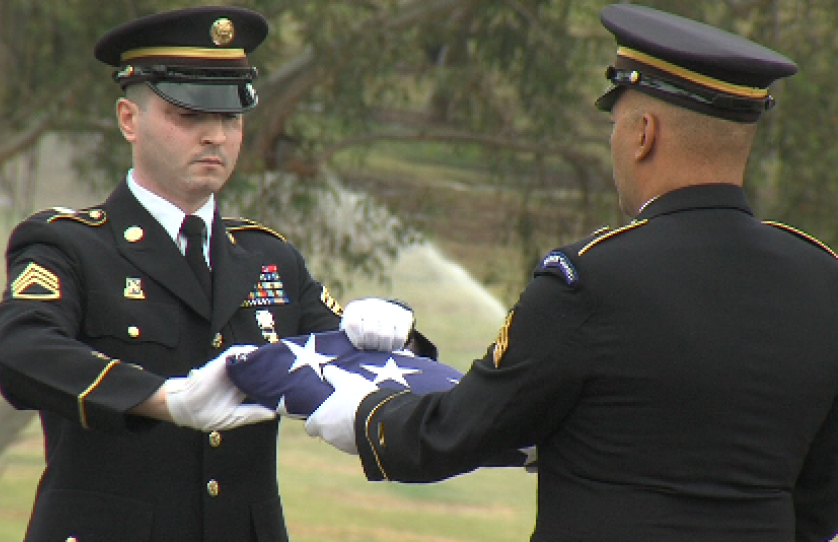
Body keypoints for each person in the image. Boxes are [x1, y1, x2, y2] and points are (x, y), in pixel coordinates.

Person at [266, 4, 838, 541]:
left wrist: (363, 413)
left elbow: (460, 431)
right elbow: (818, 500)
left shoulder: (592, 279)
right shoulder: (822, 278)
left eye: (615, 126)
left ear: (644, 134)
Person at [0, 6, 426, 541]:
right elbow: (20, 348)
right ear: (129, 119)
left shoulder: (269, 259)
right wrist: (162, 400)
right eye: (189, 116)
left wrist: (402, 339)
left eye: (230, 118)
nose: (215, 135)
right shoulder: (68, 244)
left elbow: (362, 363)